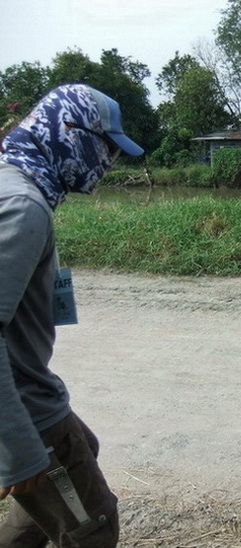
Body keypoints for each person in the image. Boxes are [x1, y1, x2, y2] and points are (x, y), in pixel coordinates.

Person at [0, 84, 143, 546]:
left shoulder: (14, 182)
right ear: (69, 134)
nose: (108, 163)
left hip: (25, 395)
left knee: (86, 447)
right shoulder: (23, 207)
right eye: (105, 147)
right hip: (23, 404)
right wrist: (19, 450)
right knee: (93, 526)